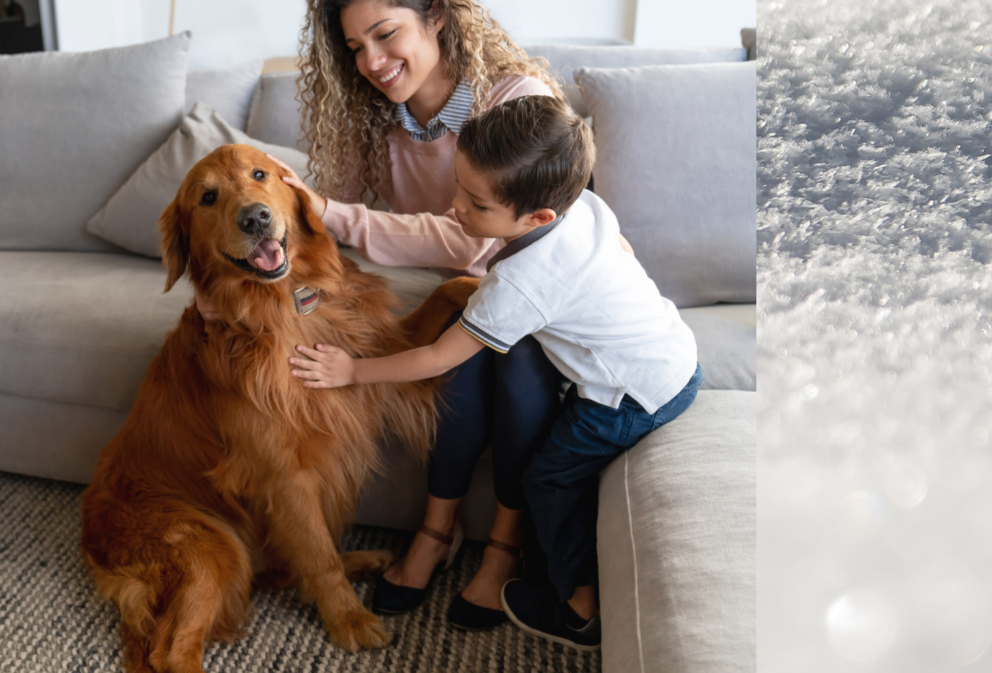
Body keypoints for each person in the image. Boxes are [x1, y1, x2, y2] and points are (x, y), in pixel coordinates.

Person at [229, 0, 572, 632]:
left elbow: (477, 236)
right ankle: (435, 534)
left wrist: (337, 215)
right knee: (457, 363)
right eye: (355, 48)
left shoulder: (514, 101)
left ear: (438, 16)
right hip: (463, 298)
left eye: (385, 35)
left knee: (517, 366)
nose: (372, 63)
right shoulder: (374, 119)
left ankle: (501, 548)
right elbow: (327, 236)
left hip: (536, 293)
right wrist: (293, 289)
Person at [288, 95, 701, 650]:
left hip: (631, 394)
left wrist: (352, 370)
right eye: (459, 186)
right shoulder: (585, 207)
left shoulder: (520, 285)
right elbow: (619, 246)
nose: (456, 208)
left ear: (538, 219)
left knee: (550, 479)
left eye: (476, 204)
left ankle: (579, 606)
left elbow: (437, 357)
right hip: (674, 353)